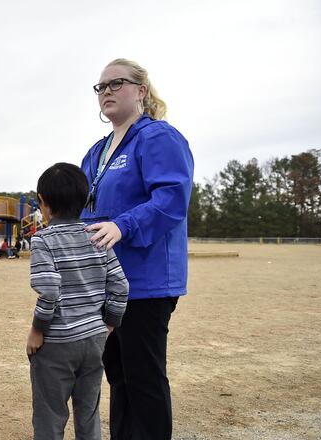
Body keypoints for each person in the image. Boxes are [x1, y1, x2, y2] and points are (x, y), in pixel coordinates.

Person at [81, 58, 194, 439]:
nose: (107, 92)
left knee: (143, 377)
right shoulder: (96, 152)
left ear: (141, 91)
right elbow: (85, 210)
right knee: (118, 373)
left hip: (146, 282)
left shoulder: (159, 137)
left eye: (117, 84)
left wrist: (122, 225)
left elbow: (171, 200)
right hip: (106, 282)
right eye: (101, 87)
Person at [27, 162, 129, 440]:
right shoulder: (96, 236)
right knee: (88, 414)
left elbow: (49, 291)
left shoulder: (42, 241)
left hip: (57, 342)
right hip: (94, 340)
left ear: (43, 204)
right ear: (84, 201)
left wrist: (37, 330)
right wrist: (109, 323)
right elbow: (121, 286)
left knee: (50, 416)